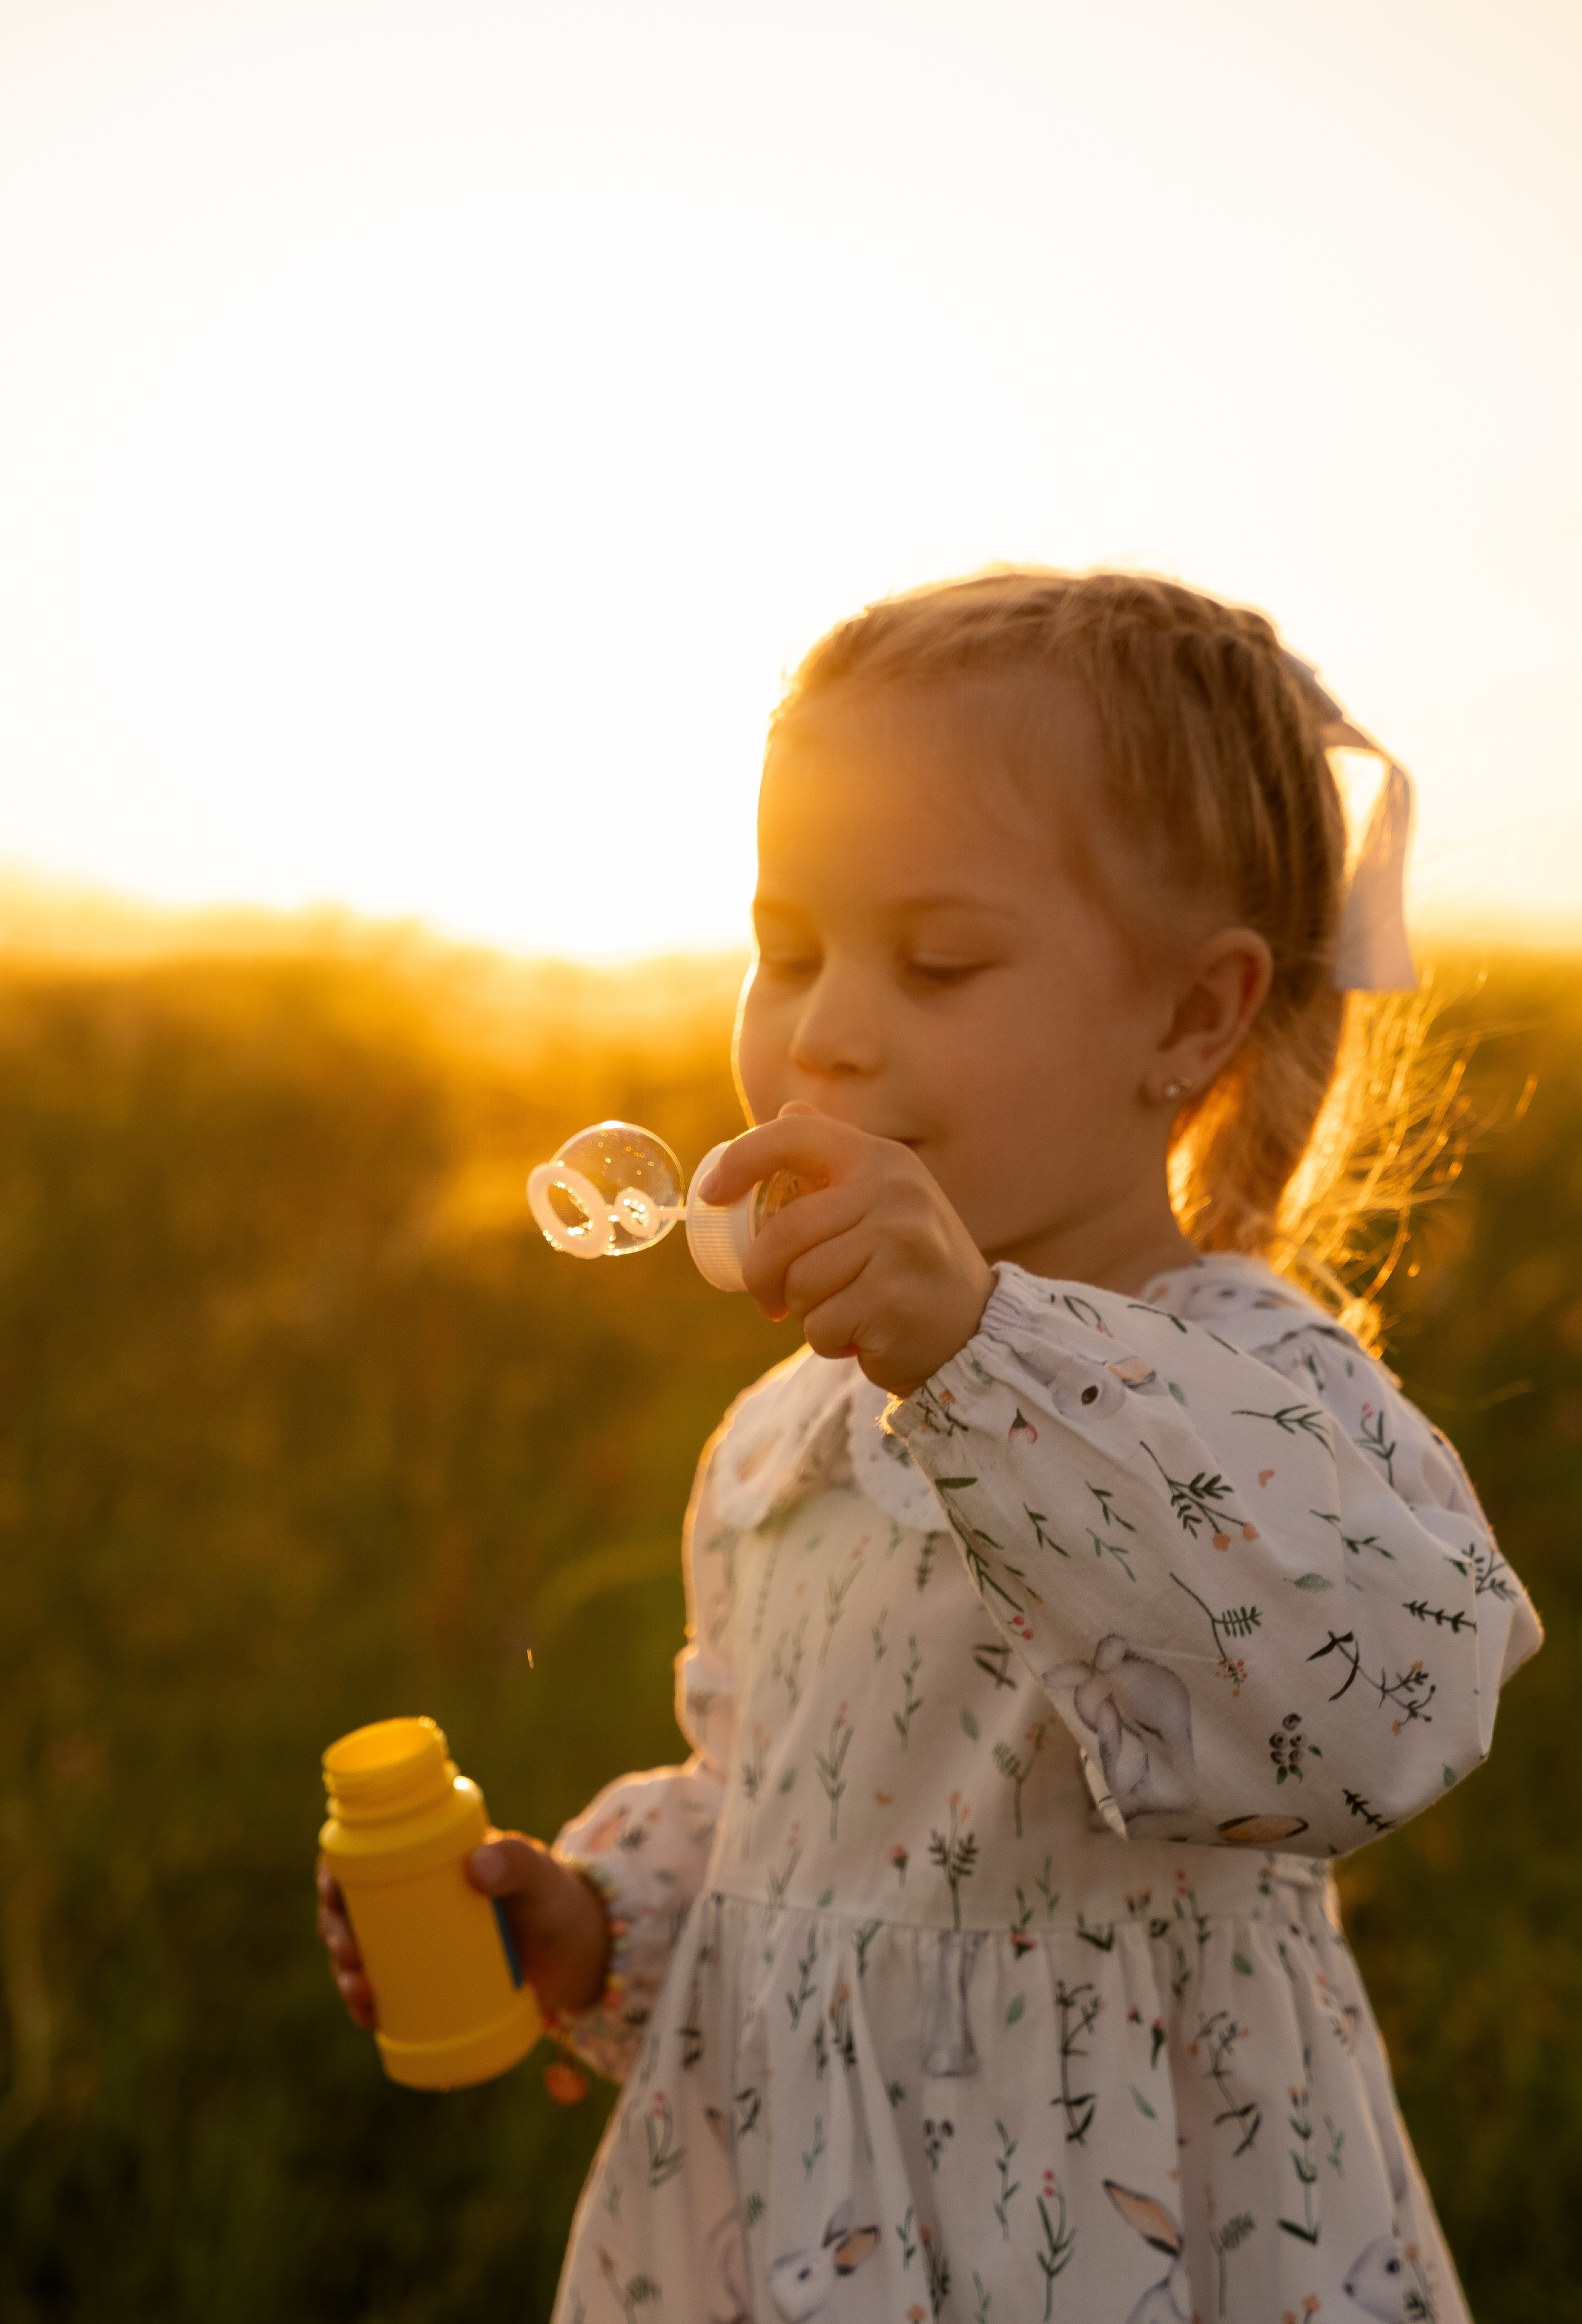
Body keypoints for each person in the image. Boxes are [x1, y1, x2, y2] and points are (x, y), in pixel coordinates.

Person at [318, 570, 1541, 2322]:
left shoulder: (1254, 1383)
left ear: (1189, 1018)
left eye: (937, 961)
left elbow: (1380, 1705)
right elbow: (780, 1821)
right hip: (812, 2231)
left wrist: (985, 1353)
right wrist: (592, 1924)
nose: (824, 1028)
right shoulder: (788, 1437)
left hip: (1130, 2235)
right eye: (788, 950)